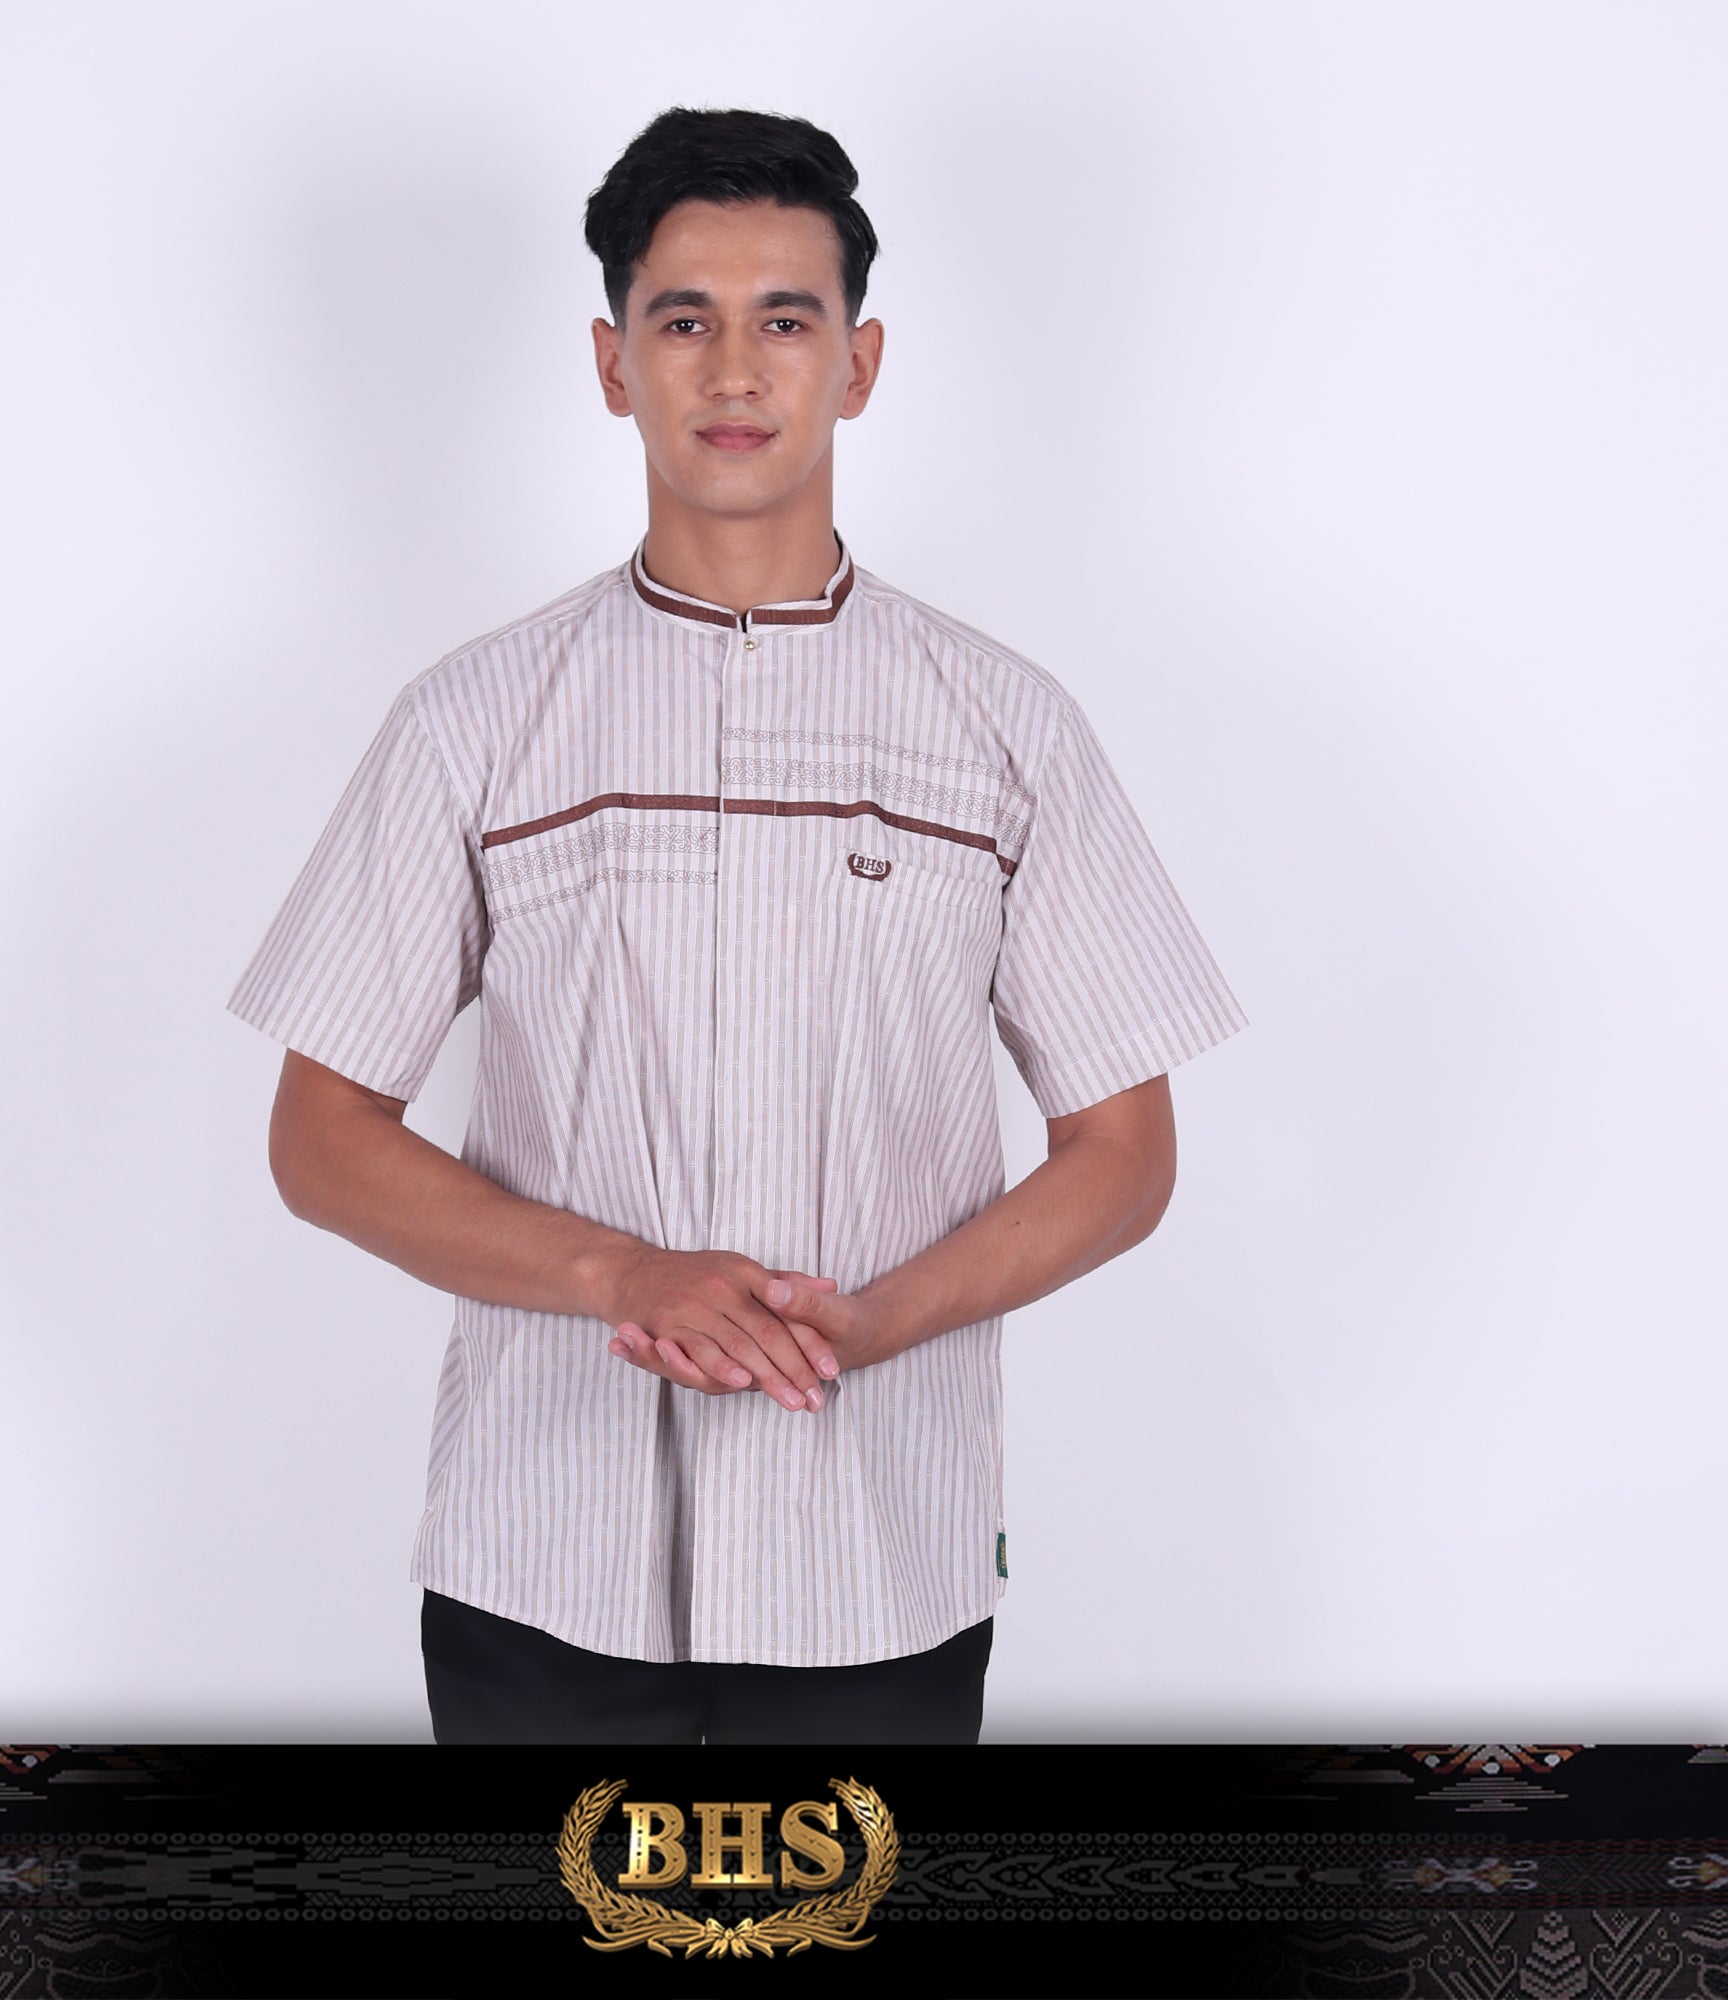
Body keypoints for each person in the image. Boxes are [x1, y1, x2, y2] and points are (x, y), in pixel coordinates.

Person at [225, 107, 1248, 1744]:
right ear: (612, 363)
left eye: (786, 319)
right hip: (538, 1562)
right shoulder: (475, 721)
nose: (734, 369)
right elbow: (320, 1137)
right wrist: (618, 1270)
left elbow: (1125, 1151)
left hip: (881, 1553)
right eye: (682, 320)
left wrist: (879, 1320)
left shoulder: (1004, 726)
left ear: (859, 363)